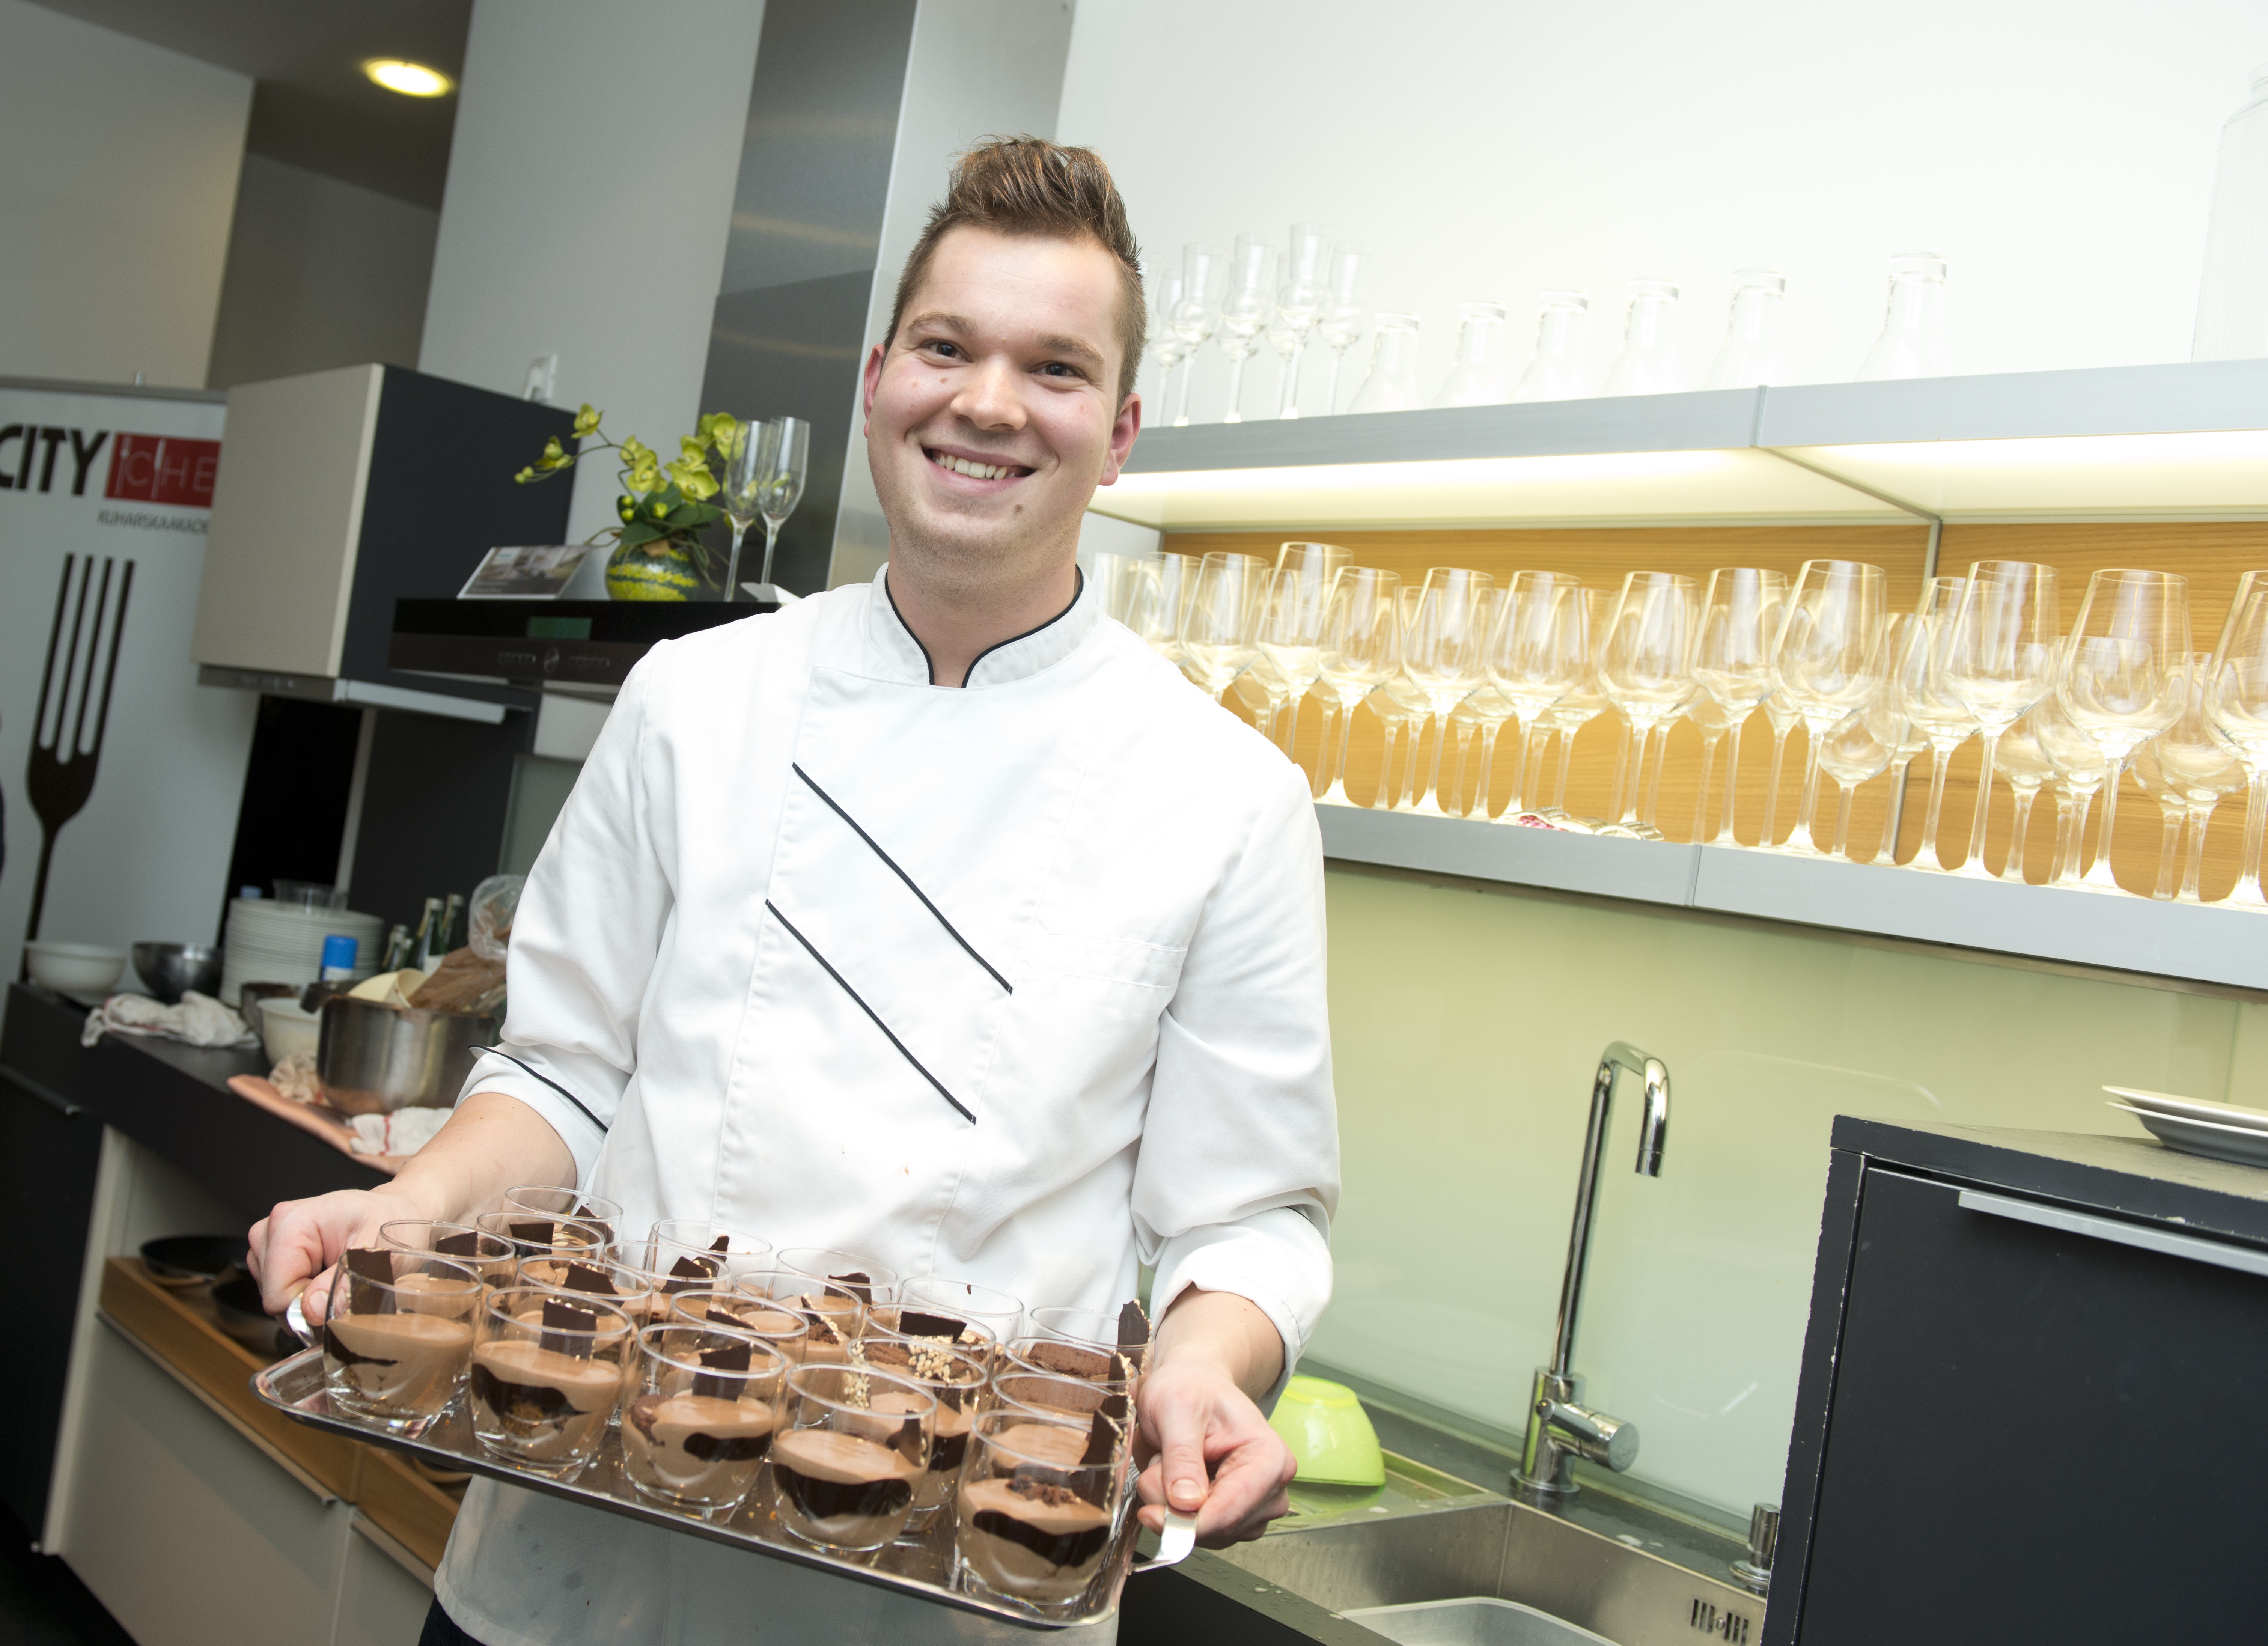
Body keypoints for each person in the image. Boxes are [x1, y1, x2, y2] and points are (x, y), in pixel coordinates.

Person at [250, 136, 1338, 1646]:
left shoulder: (1226, 792)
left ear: (1119, 433)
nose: (988, 403)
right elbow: (561, 1070)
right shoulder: (693, 697)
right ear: (878, 380)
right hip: (585, 1553)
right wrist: (405, 1207)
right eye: (946, 348)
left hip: (964, 1577)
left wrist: (1205, 1364)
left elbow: (1249, 1217)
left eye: (1055, 368)